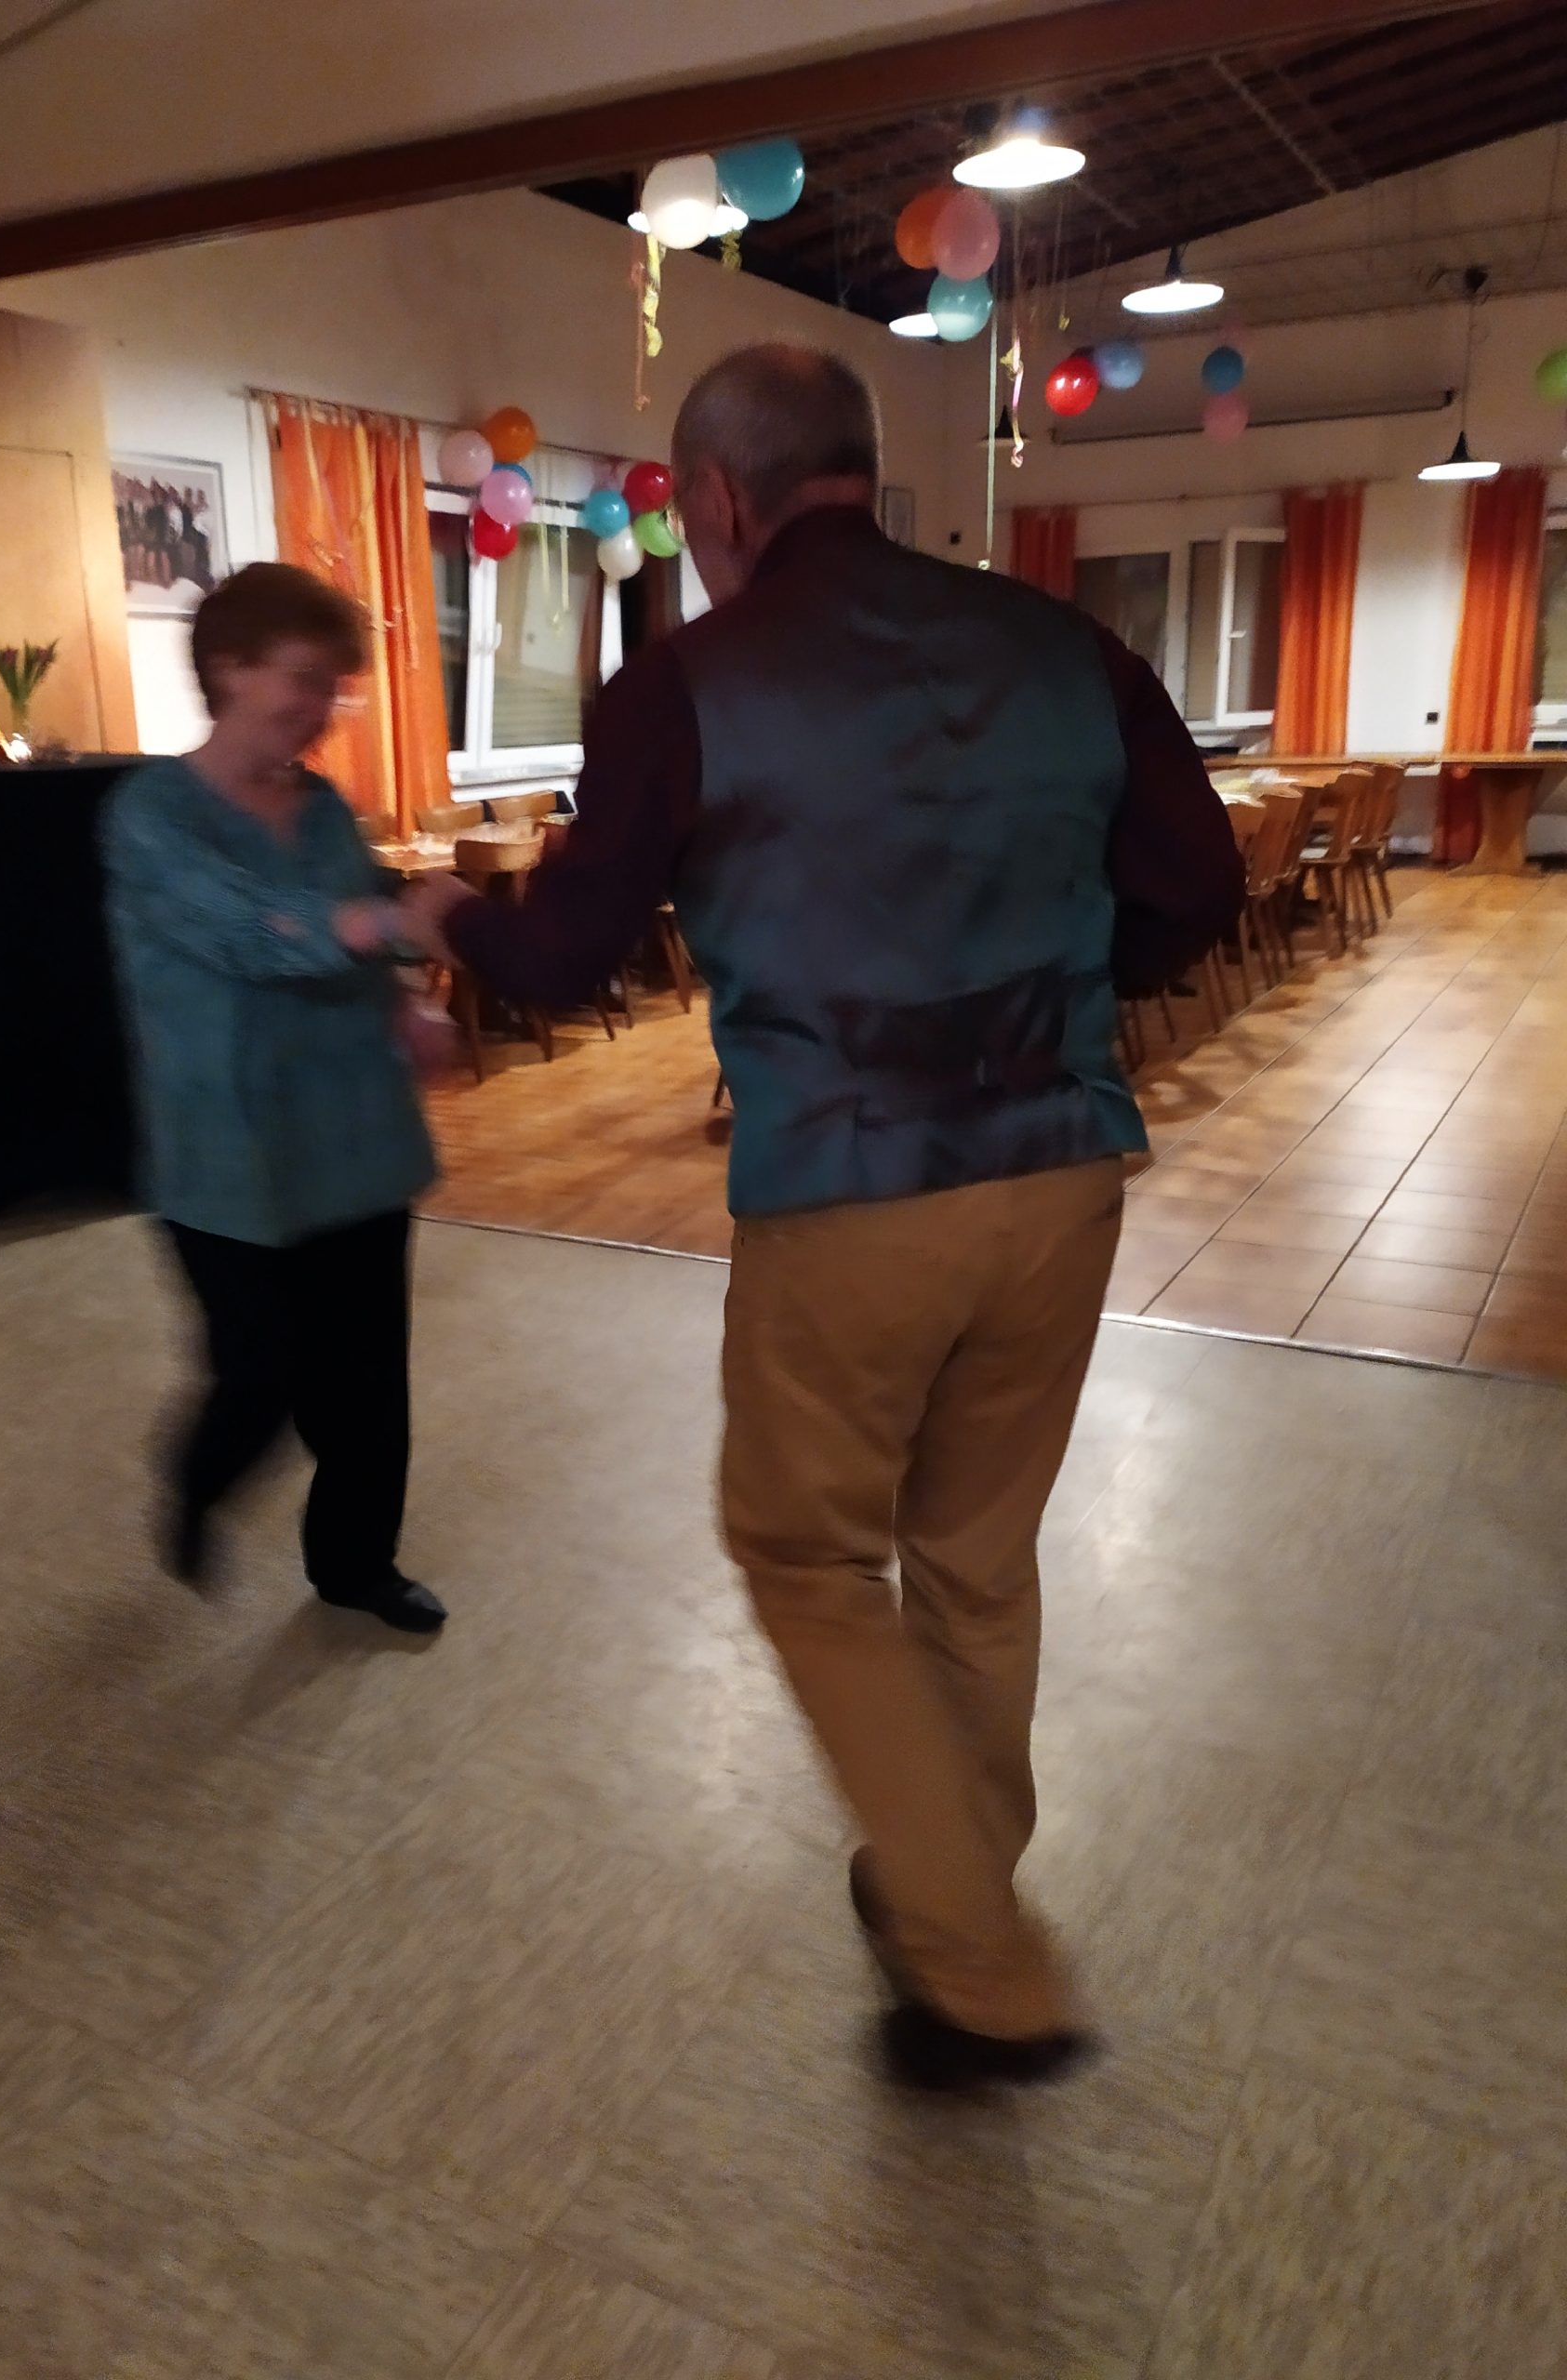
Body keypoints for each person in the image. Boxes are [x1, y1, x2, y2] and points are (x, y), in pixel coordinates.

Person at [404, 344, 1242, 2083]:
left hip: (854, 1194)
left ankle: (975, 1950)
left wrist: (442, 919)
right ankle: (957, 1874)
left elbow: (562, 951)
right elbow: (1198, 886)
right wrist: (1060, 1006)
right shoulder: (1065, 646)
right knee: (977, 1558)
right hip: (1063, 1174)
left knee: (805, 1552)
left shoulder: (683, 686)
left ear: (719, 498)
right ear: (857, 464)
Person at [103, 562, 445, 1633]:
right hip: (230, 1154)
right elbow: (249, 929)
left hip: (359, 1135)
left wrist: (406, 1001)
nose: (320, 708)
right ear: (229, 668)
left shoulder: (325, 807)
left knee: (366, 1382)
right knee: (261, 1375)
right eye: (303, 679)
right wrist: (390, 924)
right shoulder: (149, 814)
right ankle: (198, 1481)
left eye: (332, 687)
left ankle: (356, 1563)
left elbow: (362, 931)